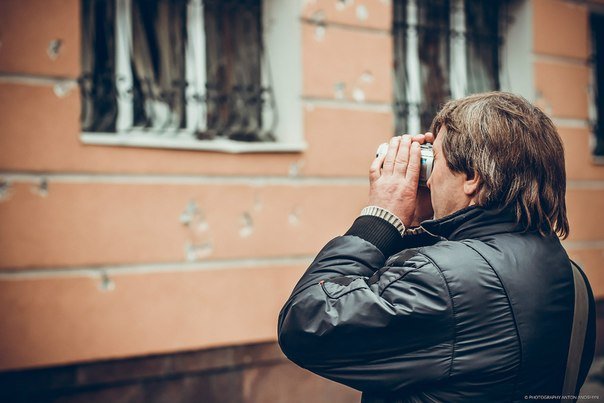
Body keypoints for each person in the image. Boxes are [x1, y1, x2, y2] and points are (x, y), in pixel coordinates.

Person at [277, 92, 596, 402]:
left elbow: (305, 325)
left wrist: (379, 220)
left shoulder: (444, 282)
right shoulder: (569, 275)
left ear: (472, 177)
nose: (427, 180)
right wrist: (417, 225)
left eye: (435, 161)